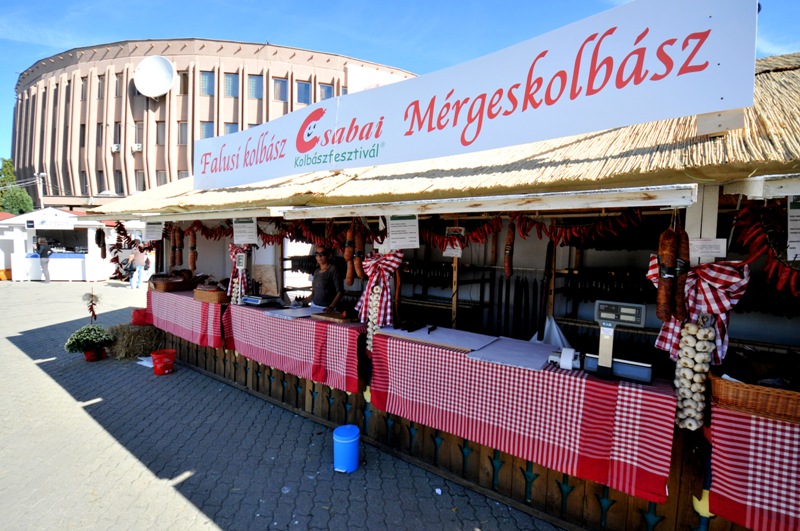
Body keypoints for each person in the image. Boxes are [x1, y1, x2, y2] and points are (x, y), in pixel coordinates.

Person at [302, 246, 344, 312]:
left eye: (322, 254)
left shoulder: (333, 269)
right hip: (314, 306)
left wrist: (331, 307)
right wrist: (302, 302)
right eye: (317, 254)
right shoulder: (316, 271)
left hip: (327, 308)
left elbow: (340, 292)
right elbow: (314, 293)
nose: (319, 256)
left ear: (328, 255)